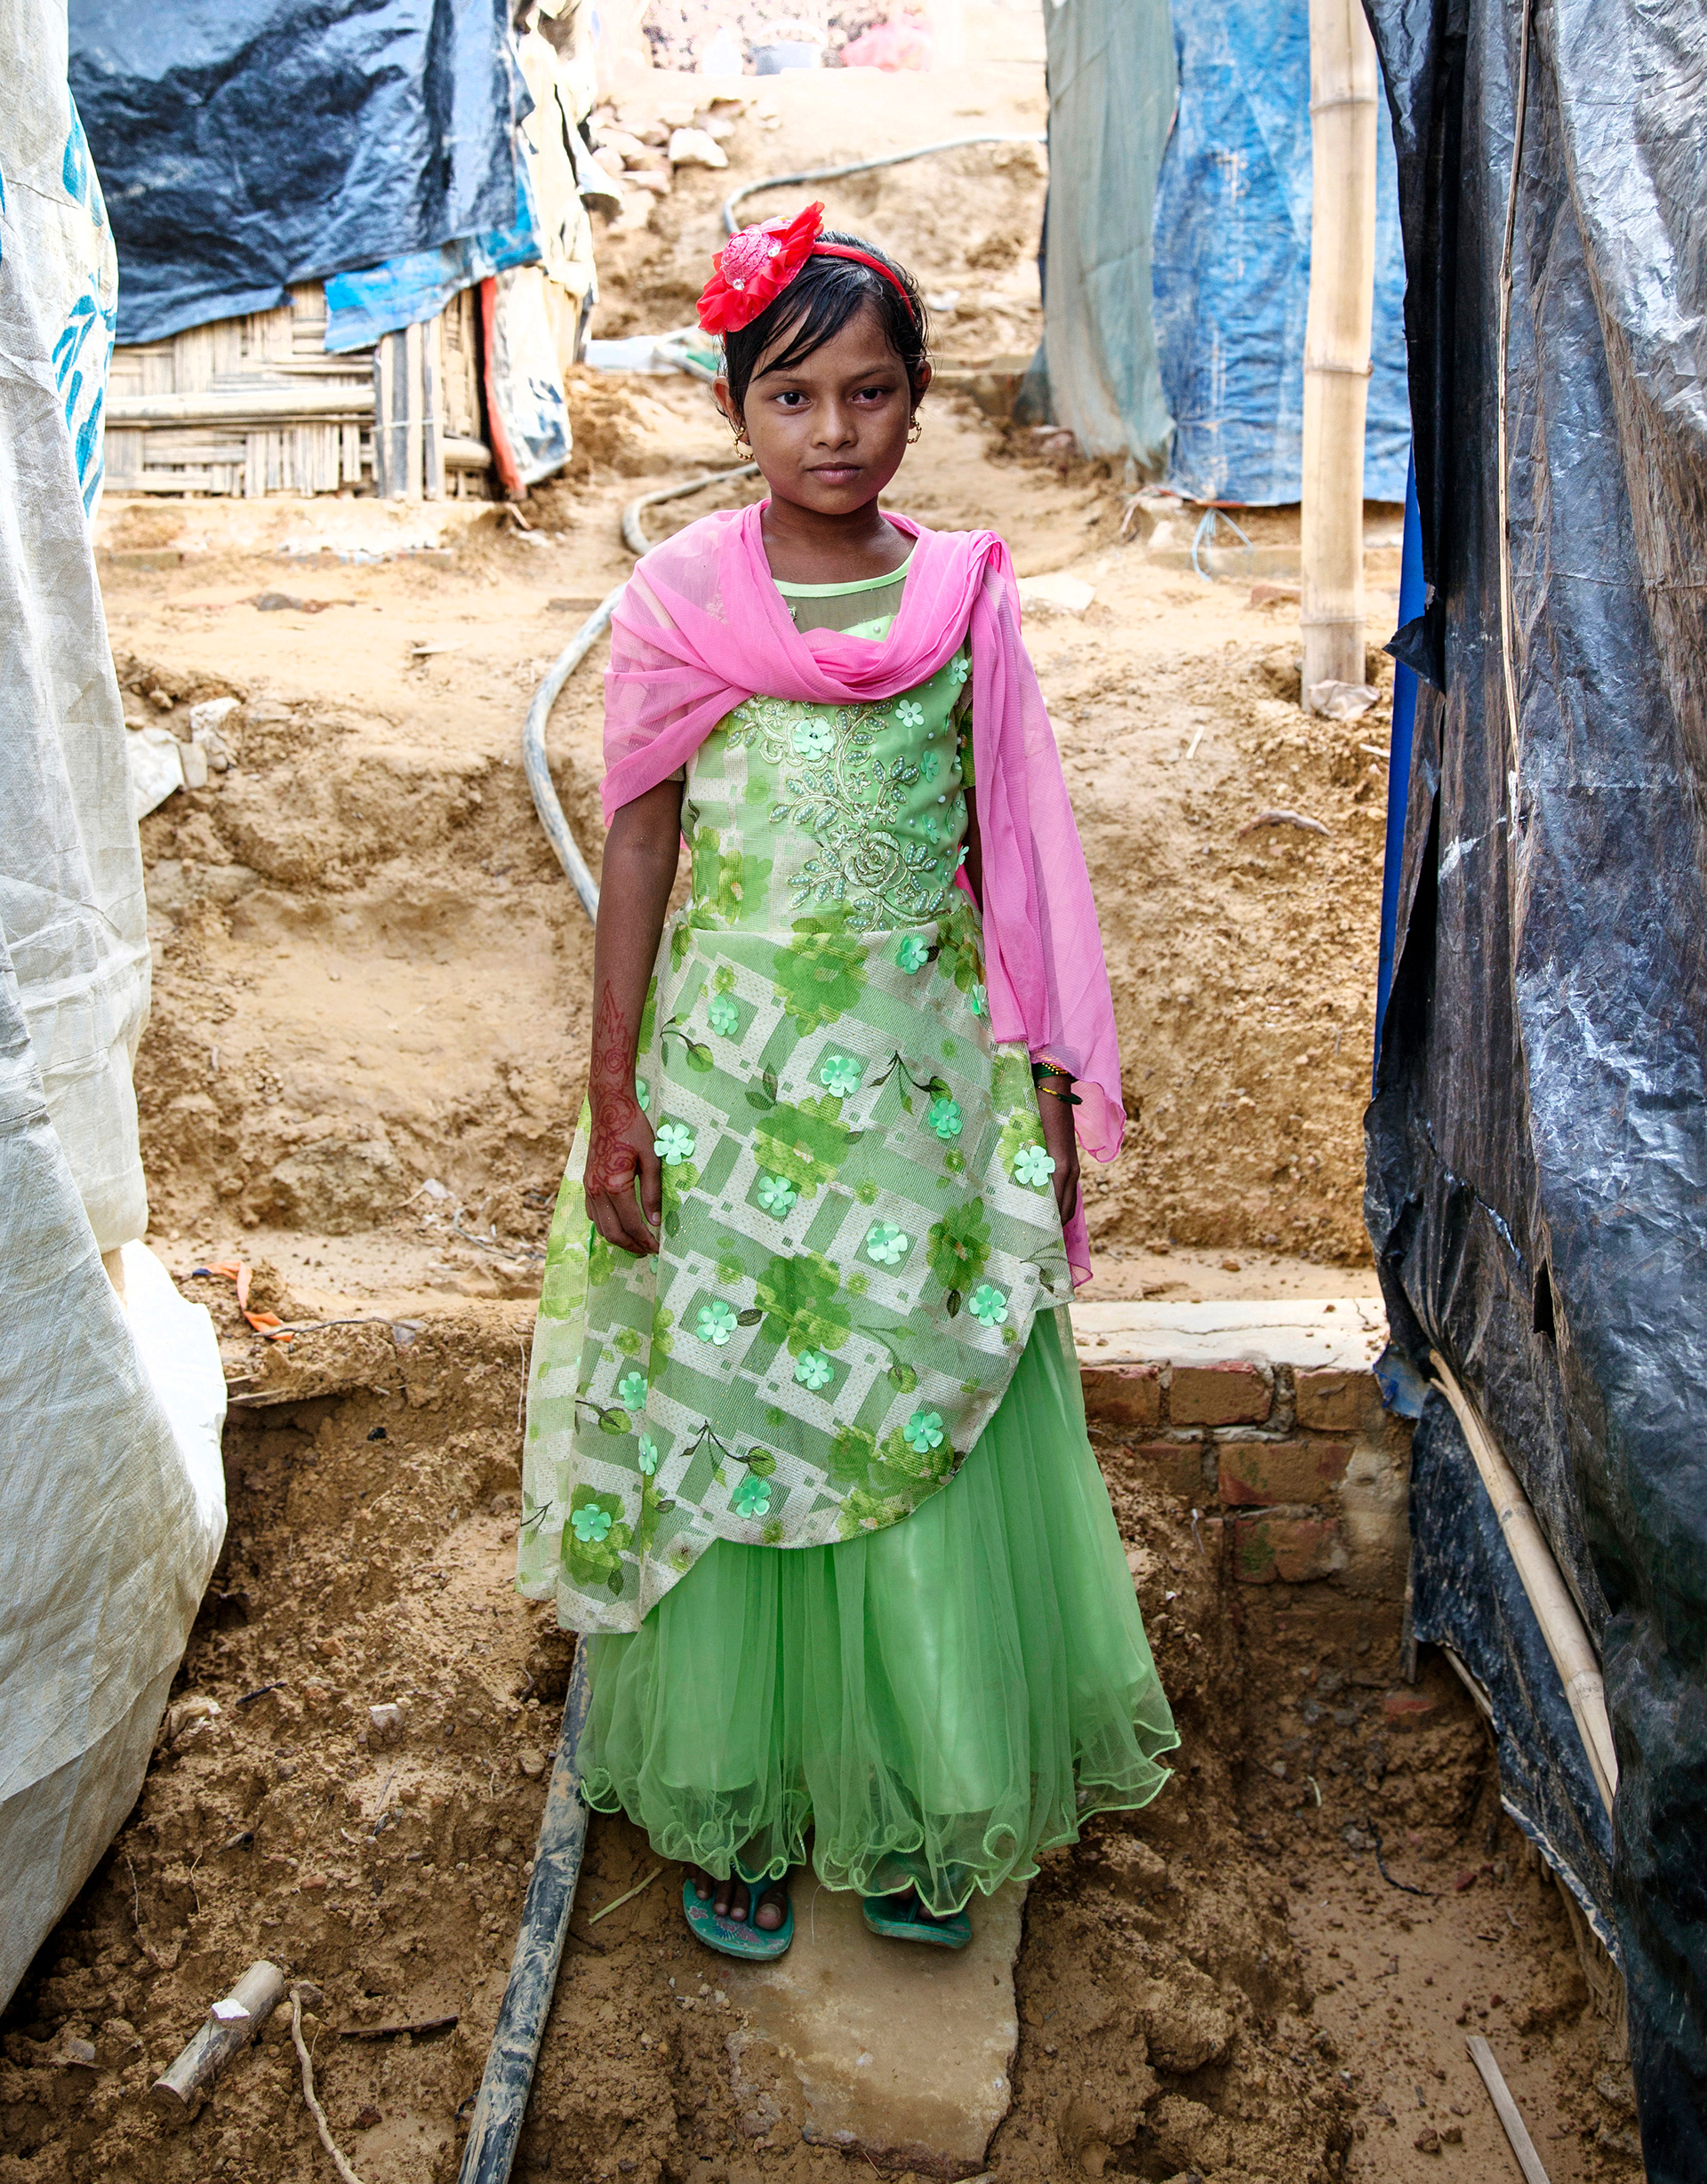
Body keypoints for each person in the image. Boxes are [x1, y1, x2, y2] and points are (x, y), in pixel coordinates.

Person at [517, 203, 1176, 1959]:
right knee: (744, 1405)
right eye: (793, 396)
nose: (834, 431)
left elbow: (1018, 855)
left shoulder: (960, 599)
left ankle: (922, 1795)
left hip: (922, 1097)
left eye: (870, 392)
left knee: (915, 1410)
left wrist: (1047, 1086)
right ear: (734, 408)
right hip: (734, 1088)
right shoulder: (679, 602)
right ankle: (739, 1789)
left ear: (917, 401)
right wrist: (616, 1096)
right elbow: (638, 845)